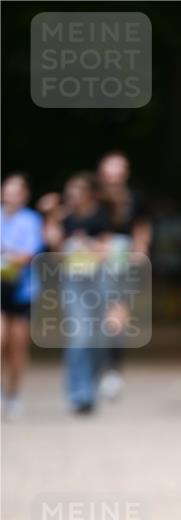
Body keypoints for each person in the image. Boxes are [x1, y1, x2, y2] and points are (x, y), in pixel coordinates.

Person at [43, 172, 112, 414]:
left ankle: (90, 390)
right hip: (73, 283)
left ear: (89, 194)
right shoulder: (65, 218)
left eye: (77, 191)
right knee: (79, 337)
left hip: (97, 281)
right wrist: (51, 215)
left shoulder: (100, 217)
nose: (72, 195)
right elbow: (54, 247)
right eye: (70, 191)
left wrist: (87, 247)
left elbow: (107, 250)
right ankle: (78, 394)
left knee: (97, 338)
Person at [96, 151, 152, 400]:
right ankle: (96, 369)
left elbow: (142, 226)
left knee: (116, 318)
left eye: (120, 168)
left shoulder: (135, 197)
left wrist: (140, 249)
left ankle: (112, 371)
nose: (116, 173)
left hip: (122, 263)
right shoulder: (93, 197)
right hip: (94, 263)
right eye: (111, 168)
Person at [1, 174, 43, 419]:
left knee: (17, 347)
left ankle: (14, 393)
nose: (12, 196)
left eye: (17, 192)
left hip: (22, 290)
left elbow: (28, 254)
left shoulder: (31, 220)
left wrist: (10, 256)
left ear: (24, 195)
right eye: (9, 190)